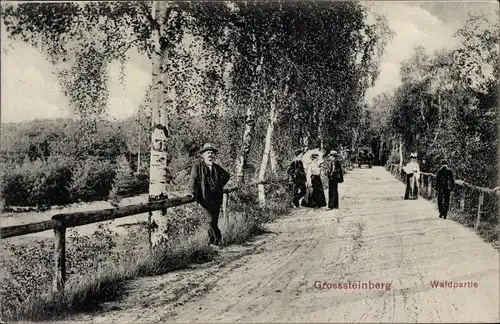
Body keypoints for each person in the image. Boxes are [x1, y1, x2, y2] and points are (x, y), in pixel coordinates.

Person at [189, 143, 230, 246]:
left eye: (212, 153)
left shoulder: (217, 167)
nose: (210, 155)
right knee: (210, 221)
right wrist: (193, 192)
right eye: (208, 153)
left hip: (216, 198)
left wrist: (219, 186)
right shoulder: (197, 166)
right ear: (203, 155)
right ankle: (212, 241)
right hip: (204, 198)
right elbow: (193, 180)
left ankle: (216, 241)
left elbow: (227, 176)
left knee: (214, 221)